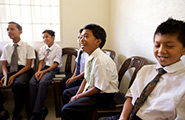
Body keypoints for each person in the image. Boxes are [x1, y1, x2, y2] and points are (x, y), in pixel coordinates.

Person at [105, 18, 185, 120]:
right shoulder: (145, 70)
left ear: (183, 50)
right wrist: (123, 118)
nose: (161, 51)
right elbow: (130, 98)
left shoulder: (182, 83)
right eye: (157, 45)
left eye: (169, 46)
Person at [61, 24, 119, 120]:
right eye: (81, 36)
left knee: (66, 110)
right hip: (93, 89)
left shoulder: (101, 61)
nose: (81, 40)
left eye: (86, 36)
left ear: (98, 41)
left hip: (103, 95)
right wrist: (77, 95)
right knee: (67, 94)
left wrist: (77, 97)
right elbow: (86, 78)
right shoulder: (90, 56)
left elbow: (98, 88)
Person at [0, 21, 36, 120]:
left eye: (12, 29)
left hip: (24, 70)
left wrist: (13, 77)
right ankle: (2, 110)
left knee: (19, 84)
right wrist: (5, 76)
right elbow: (3, 64)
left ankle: (16, 112)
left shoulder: (28, 46)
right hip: (9, 70)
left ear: (20, 31)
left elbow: (28, 66)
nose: (9, 31)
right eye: (7, 29)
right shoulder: (6, 47)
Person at [29, 30, 62, 120]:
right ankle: (42, 108)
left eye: (47, 36)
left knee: (42, 83)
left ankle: (36, 112)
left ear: (53, 38)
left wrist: (44, 72)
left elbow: (55, 64)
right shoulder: (42, 48)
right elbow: (41, 62)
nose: (44, 39)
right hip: (43, 69)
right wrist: (39, 71)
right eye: (43, 37)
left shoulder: (57, 48)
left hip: (53, 69)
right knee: (32, 83)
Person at [61, 28, 88, 105]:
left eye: (82, 37)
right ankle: (64, 104)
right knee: (63, 81)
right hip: (78, 75)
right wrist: (72, 76)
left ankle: (70, 104)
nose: (80, 40)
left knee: (68, 86)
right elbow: (78, 66)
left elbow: (86, 71)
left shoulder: (88, 53)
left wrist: (74, 78)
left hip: (83, 77)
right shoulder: (80, 51)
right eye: (78, 38)